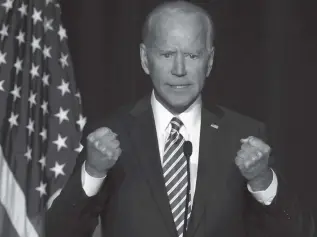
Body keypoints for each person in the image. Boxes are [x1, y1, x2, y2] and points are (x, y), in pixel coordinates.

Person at [45, 1, 314, 237]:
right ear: (145, 59)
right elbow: (60, 232)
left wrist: (262, 181)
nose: (179, 70)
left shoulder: (243, 135)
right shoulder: (111, 134)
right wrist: (94, 171)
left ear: (209, 61)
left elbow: (297, 232)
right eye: (166, 54)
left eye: (192, 55)